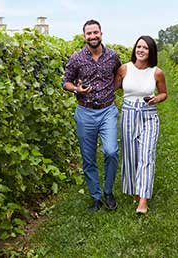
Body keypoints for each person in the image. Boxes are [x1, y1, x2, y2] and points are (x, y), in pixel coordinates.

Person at [63, 19, 121, 212]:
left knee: (111, 151)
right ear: (84, 36)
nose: (93, 36)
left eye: (95, 32)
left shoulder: (113, 56)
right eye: (89, 33)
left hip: (107, 110)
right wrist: (76, 89)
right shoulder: (77, 57)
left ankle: (108, 191)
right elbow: (66, 81)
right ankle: (95, 197)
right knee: (88, 158)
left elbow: (119, 76)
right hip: (85, 111)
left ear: (101, 34)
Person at [115, 35, 167, 214]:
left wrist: (156, 99)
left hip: (149, 115)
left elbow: (164, 94)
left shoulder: (157, 72)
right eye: (138, 47)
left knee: (147, 155)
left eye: (145, 48)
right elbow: (113, 87)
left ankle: (143, 200)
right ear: (134, 49)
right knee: (130, 156)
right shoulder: (124, 69)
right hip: (128, 114)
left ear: (151, 51)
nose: (141, 50)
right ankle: (135, 190)